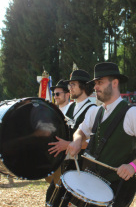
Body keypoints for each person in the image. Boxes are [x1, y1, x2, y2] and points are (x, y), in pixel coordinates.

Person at [66, 62, 136, 207]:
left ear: (115, 83)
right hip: (93, 182)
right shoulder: (94, 112)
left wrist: (133, 166)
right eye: (95, 83)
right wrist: (77, 141)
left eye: (100, 82)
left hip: (118, 188)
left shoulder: (133, 113)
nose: (96, 87)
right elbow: (80, 131)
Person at [46, 70, 96, 207]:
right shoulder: (70, 107)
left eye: (73, 84)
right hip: (65, 165)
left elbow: (94, 143)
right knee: (52, 201)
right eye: (69, 85)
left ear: (84, 86)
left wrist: (68, 144)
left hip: (81, 167)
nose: (70, 88)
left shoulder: (92, 110)